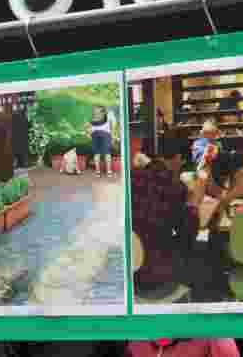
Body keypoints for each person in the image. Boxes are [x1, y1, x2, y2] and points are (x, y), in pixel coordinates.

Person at [130, 148, 204, 295]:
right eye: (182, 161)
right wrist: (193, 206)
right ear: (177, 157)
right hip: (154, 276)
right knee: (196, 256)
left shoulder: (131, 176)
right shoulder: (173, 185)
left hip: (126, 270)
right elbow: (187, 234)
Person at [86, 105, 116, 178]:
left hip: (95, 135)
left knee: (97, 154)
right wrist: (112, 137)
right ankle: (109, 172)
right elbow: (112, 127)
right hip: (106, 134)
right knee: (107, 154)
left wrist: (89, 134)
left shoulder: (93, 118)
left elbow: (88, 129)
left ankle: (97, 172)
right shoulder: (108, 116)